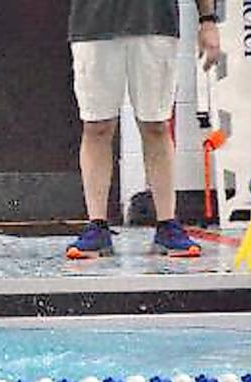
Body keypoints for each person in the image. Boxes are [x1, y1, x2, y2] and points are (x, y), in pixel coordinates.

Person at [65, 0, 222, 259]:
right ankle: (97, 225)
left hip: (155, 22)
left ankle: (167, 224)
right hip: (93, 24)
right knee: (97, 126)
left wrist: (208, 20)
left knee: (156, 125)